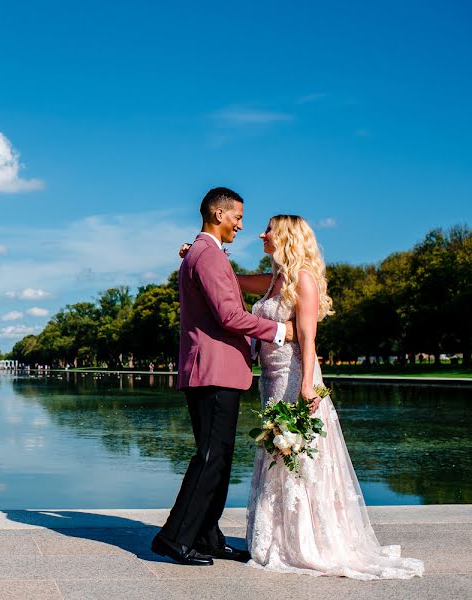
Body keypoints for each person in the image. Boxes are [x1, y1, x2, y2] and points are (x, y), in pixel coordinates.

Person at [237, 215, 424, 579]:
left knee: (300, 455)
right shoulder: (273, 279)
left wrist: (308, 386)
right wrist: (197, 255)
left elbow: (308, 338)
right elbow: (232, 280)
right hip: (271, 382)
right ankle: (275, 538)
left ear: (287, 236)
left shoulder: (303, 279)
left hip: (295, 377)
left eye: (269, 230)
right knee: (277, 452)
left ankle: (308, 541)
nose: (261, 234)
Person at [151, 188, 294, 566]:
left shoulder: (204, 254)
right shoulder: (208, 256)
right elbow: (229, 316)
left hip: (216, 369)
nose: (242, 225)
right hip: (213, 371)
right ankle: (174, 537)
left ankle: (207, 536)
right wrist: (280, 331)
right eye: (238, 217)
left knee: (219, 458)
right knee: (211, 458)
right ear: (218, 214)